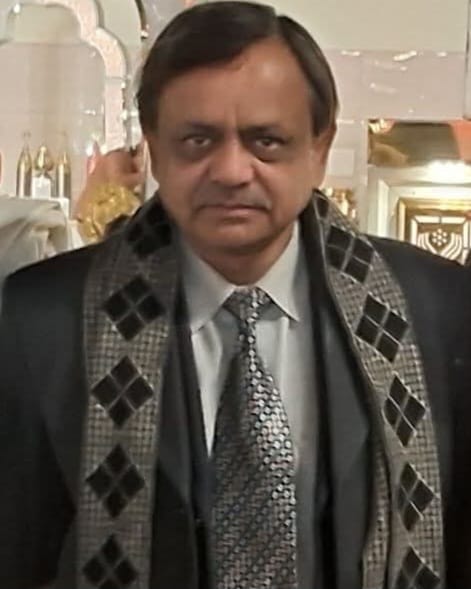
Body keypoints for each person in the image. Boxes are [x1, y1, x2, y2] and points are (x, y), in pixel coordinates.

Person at [0, 3, 470, 588]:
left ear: (318, 148)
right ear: (153, 146)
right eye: (197, 140)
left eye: (266, 141)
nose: (230, 171)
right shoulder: (43, 320)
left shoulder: (436, 309)